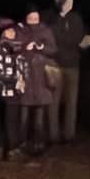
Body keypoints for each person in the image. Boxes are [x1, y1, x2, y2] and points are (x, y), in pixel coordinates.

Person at [48, 0, 90, 144]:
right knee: (54, 102)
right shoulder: (52, 19)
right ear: (61, 1)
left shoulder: (76, 18)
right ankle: (53, 135)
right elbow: (57, 39)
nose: (71, 3)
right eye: (69, 0)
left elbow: (79, 37)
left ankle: (69, 135)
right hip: (56, 65)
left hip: (73, 65)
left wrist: (82, 43)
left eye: (72, 0)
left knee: (71, 102)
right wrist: (74, 41)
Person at [17, 10, 57, 156]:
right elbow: (13, 48)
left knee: (39, 114)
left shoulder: (45, 31)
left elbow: (53, 49)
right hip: (26, 77)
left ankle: (38, 143)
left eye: (36, 18)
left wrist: (42, 48)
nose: (33, 20)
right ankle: (22, 143)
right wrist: (24, 48)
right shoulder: (20, 30)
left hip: (41, 77)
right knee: (24, 113)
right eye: (30, 18)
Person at [0, 17, 28, 159]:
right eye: (8, 31)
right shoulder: (0, 50)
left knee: (9, 119)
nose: (11, 34)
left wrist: (23, 80)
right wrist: (15, 80)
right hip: (5, 91)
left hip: (16, 91)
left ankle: (1, 148)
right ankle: (10, 149)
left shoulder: (19, 49)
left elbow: (23, 68)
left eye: (13, 31)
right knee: (8, 120)